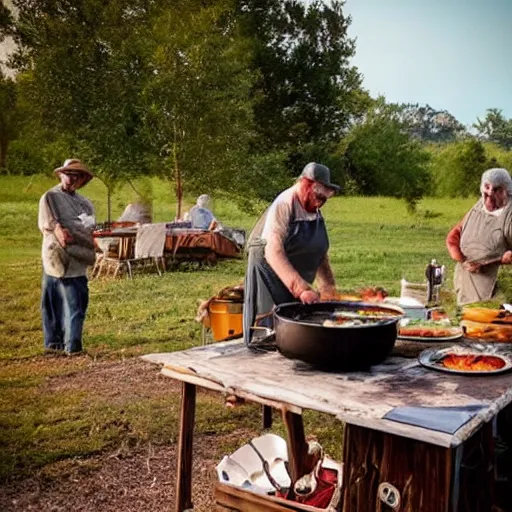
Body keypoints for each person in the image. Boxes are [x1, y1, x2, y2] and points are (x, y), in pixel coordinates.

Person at [243, 162, 339, 346]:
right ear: (305, 184)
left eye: (324, 199)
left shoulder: (315, 211)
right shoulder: (284, 204)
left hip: (295, 286)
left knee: (296, 336)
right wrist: (301, 289)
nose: (320, 203)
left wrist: (328, 287)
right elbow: (273, 251)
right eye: (317, 196)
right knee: (269, 338)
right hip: (269, 283)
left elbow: (319, 251)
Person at [38, 159, 96, 354]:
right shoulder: (50, 197)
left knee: (76, 303)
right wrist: (64, 232)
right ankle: (53, 345)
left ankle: (73, 346)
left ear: (81, 179)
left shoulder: (85, 203)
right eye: (68, 174)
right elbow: (56, 230)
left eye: (76, 175)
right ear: (61, 175)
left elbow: (89, 230)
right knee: (52, 303)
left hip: (77, 259)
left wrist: (77, 234)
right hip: (55, 257)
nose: (72, 178)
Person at [446, 167, 512, 305]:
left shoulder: (509, 214)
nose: (490, 193)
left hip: (496, 286)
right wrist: (458, 255)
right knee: (466, 318)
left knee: (493, 322)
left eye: (497, 190)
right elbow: (455, 234)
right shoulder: (478, 206)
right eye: (487, 188)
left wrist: (503, 259)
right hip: (466, 281)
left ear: (507, 191)